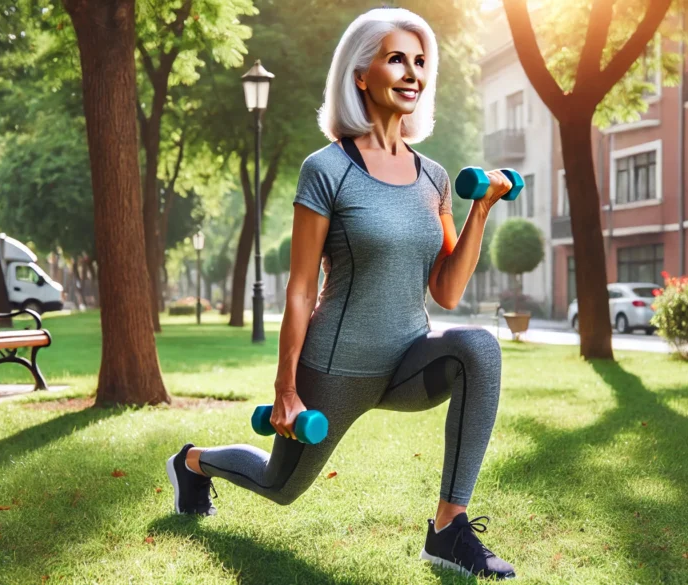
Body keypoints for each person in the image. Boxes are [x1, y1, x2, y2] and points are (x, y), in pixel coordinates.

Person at [166, 7, 516, 580]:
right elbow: (301, 289)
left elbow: (447, 290)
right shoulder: (326, 170)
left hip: (407, 358)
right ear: (361, 75)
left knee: (478, 348)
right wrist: (285, 390)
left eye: (421, 62)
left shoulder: (433, 178)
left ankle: (449, 530)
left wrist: (480, 210)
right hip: (336, 366)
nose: (412, 73)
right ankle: (192, 462)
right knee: (280, 487)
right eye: (396, 58)